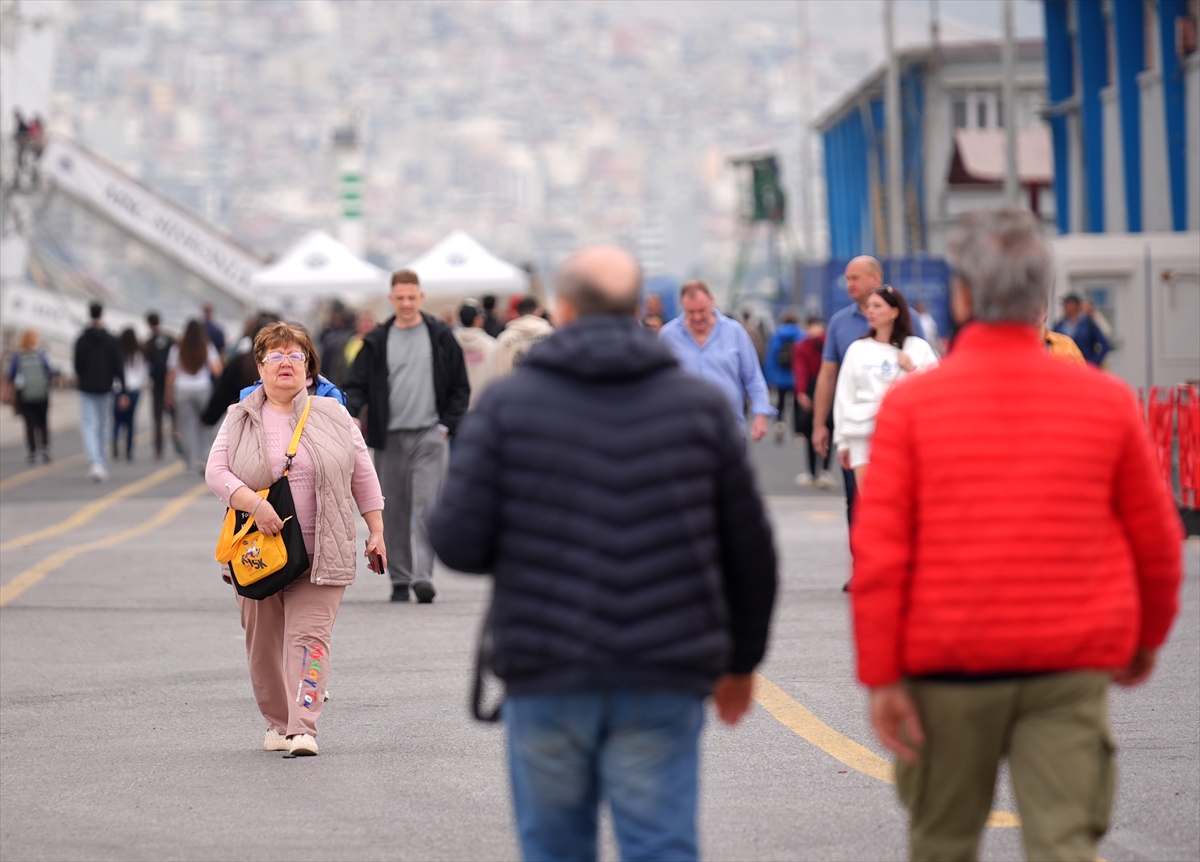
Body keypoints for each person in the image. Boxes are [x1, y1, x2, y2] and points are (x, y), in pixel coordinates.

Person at [852, 208, 1183, 862]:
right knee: (1064, 843)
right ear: (1041, 300)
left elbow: (881, 554)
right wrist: (1145, 639)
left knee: (943, 842)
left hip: (948, 665)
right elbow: (1156, 541)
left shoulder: (911, 408)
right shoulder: (1105, 402)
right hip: (1068, 664)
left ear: (962, 297)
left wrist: (882, 676)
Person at [427, 246, 777, 862]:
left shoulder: (510, 406)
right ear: (640, 309)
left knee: (556, 848)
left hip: (547, 663)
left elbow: (458, 542)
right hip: (664, 666)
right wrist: (741, 663)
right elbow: (750, 550)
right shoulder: (697, 408)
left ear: (563, 309)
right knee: (660, 844)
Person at [206, 322, 386, 757]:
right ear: (260, 366)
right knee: (264, 647)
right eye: (275, 355)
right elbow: (216, 472)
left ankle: (303, 726)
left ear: (308, 368)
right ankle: (278, 722)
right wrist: (254, 503)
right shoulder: (239, 416)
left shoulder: (334, 415)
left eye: (295, 355)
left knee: (311, 641)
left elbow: (362, 474)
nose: (285, 363)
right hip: (258, 553)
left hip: (323, 551)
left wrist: (377, 530)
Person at [342, 269, 470, 604]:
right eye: (400, 298)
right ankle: (400, 577)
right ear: (391, 299)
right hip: (389, 438)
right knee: (393, 510)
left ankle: (423, 577)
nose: (407, 303)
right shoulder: (377, 340)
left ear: (421, 297)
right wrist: (352, 412)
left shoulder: (440, 336)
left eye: (412, 297)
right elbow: (355, 384)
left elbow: (460, 386)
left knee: (427, 508)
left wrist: (446, 426)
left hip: (430, 434)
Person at [811, 256, 925, 525]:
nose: (849, 284)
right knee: (858, 502)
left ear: (876, 279)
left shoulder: (911, 322)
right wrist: (820, 425)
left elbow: (927, 372)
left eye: (855, 278)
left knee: (902, 503)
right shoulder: (840, 324)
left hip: (902, 432)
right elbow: (830, 378)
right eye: (847, 279)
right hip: (859, 431)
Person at [832, 287, 938, 489]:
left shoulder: (918, 348)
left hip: (905, 435)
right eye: (869, 306)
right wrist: (842, 442)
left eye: (877, 306)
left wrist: (912, 370)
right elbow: (844, 396)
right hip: (863, 433)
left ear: (894, 312)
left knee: (902, 495)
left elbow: (937, 390)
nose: (870, 311)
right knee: (867, 496)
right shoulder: (857, 349)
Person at [660, 281, 776, 441]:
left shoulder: (734, 332)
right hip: (683, 434)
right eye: (690, 312)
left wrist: (761, 413)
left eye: (702, 310)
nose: (697, 317)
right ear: (682, 304)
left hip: (728, 430)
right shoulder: (668, 336)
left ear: (711, 300)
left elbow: (753, 378)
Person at [74, 302, 127, 482]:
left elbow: (77, 365)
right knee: (103, 425)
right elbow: (118, 365)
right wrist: (123, 390)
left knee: (88, 424)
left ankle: (94, 461)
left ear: (89, 314)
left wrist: (84, 375)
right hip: (106, 387)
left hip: (86, 387)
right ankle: (101, 461)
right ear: (102, 314)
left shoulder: (81, 339)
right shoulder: (111, 339)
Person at [166, 320, 223, 474]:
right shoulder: (206, 346)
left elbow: (171, 373)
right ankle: (204, 458)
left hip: (182, 389)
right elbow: (217, 370)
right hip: (202, 389)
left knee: (187, 428)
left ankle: (191, 465)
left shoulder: (178, 348)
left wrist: (168, 394)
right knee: (205, 425)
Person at [792, 317, 834, 488]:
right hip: (831, 388)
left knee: (812, 431)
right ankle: (825, 471)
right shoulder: (829, 343)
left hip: (811, 388)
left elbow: (800, 370)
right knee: (829, 429)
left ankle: (811, 473)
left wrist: (801, 392)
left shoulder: (802, 345)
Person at [6, 329, 53, 464]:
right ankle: (44, 446)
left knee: (29, 424)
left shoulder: (17, 356)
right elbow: (49, 371)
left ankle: (32, 451)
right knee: (43, 422)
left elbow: (11, 375)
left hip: (25, 395)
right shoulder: (41, 354)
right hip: (41, 393)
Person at [763, 311, 804, 443]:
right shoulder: (801, 335)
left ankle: (779, 423)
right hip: (796, 376)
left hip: (780, 376)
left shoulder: (777, 334)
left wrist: (769, 376)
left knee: (780, 402)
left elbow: (771, 357)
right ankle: (798, 432)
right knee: (797, 405)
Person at [493, 296, 555, 377]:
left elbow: (499, 372)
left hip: (514, 384)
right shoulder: (552, 334)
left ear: (517, 314)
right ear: (538, 312)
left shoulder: (504, 338)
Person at [453, 303, 499, 408]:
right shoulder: (491, 345)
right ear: (477, 320)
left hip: (459, 406)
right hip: (484, 405)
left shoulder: (452, 343)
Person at [144, 312, 175, 461]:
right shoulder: (170, 339)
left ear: (149, 324)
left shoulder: (149, 342)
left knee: (158, 418)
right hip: (171, 383)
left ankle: (159, 450)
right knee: (174, 415)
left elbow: (146, 362)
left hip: (156, 384)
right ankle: (178, 440)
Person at [112, 328, 146, 462]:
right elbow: (142, 374)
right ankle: (129, 450)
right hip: (134, 390)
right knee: (130, 420)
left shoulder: (118, 353)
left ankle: (115, 439)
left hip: (118, 389)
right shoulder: (137, 355)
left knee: (117, 419)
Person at [1052, 293, 1110, 367]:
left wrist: (1093, 363)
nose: (1065, 307)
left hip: (1083, 366)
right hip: (1064, 367)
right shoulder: (1059, 325)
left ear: (1076, 306)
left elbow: (1105, 345)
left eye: (1068, 304)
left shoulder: (1088, 324)